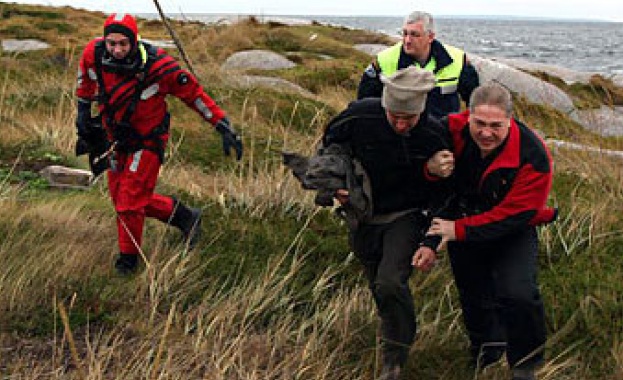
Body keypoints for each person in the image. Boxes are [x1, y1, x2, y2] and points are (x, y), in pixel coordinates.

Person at [75, 13, 243, 275]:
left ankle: (128, 263)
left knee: (129, 203)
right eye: (111, 43)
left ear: (134, 41)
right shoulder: (93, 54)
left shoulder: (160, 67)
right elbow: (85, 81)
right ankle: (185, 217)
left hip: (148, 140)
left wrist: (222, 125)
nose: (117, 50)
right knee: (122, 200)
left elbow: (194, 95)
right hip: (115, 139)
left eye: (123, 44)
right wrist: (83, 112)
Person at [415, 82, 557, 380]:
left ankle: (525, 363)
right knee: (473, 293)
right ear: (467, 116)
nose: (486, 132)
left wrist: (459, 229)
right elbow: (419, 166)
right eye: (479, 123)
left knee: (519, 293)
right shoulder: (447, 129)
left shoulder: (533, 155)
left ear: (510, 121)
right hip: (462, 222)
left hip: (512, 230)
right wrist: (429, 168)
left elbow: (516, 215)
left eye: (496, 125)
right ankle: (486, 351)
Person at [320, 66, 451, 380]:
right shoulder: (359, 116)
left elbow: (446, 196)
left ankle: (394, 361)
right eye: (395, 117)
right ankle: (393, 328)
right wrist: (334, 183)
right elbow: (329, 146)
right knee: (378, 284)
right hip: (363, 215)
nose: (401, 124)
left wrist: (430, 242)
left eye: (409, 118)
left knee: (390, 282)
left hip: (406, 216)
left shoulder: (434, 135)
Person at [357, 10, 479, 119]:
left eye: (414, 35)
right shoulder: (384, 60)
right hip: (400, 134)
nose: (407, 40)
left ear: (430, 37)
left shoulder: (458, 60)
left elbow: (476, 103)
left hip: (441, 136)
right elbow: (364, 103)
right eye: (405, 34)